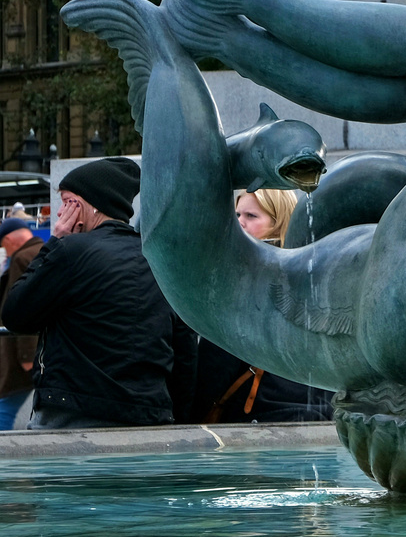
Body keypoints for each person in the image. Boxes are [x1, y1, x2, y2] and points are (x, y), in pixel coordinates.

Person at [2, 158, 196, 428]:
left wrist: (54, 243)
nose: (59, 213)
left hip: (73, 415)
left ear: (85, 206)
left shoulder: (69, 252)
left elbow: (15, 313)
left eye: (67, 201)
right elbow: (185, 351)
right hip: (151, 416)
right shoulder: (160, 260)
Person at [190, 190, 333, 423]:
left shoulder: (245, 283)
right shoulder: (314, 279)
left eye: (251, 216)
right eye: (236, 214)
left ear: (280, 222)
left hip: (259, 424)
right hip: (317, 420)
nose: (239, 223)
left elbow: (214, 368)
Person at [0, 217, 44, 428]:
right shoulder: (45, 250)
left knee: (4, 407)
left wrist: (26, 355)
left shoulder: (20, 258)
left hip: (22, 351)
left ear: (8, 239)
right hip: (45, 346)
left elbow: (23, 307)